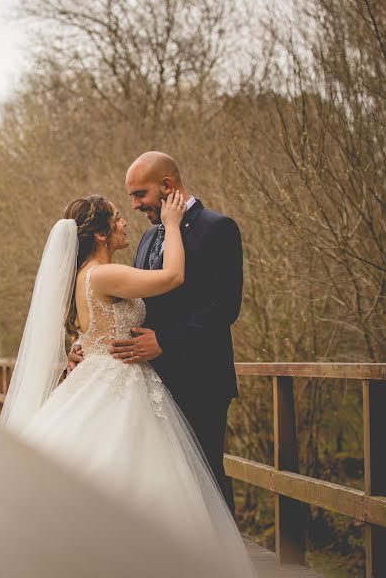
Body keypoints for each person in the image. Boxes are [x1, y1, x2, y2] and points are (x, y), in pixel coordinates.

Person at [0, 192, 253, 577]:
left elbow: (94, 328)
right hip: (117, 381)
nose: (124, 222)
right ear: (100, 234)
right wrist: (170, 224)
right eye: (116, 218)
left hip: (102, 376)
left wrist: (78, 346)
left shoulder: (87, 274)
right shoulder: (103, 273)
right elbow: (173, 277)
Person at [69, 152, 242, 513]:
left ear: (166, 186)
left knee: (205, 480)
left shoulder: (218, 228)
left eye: (140, 194)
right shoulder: (149, 239)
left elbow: (225, 307)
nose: (134, 205)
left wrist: (164, 341)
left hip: (200, 377)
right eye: (129, 198)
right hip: (146, 381)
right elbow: (126, 303)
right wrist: (88, 342)